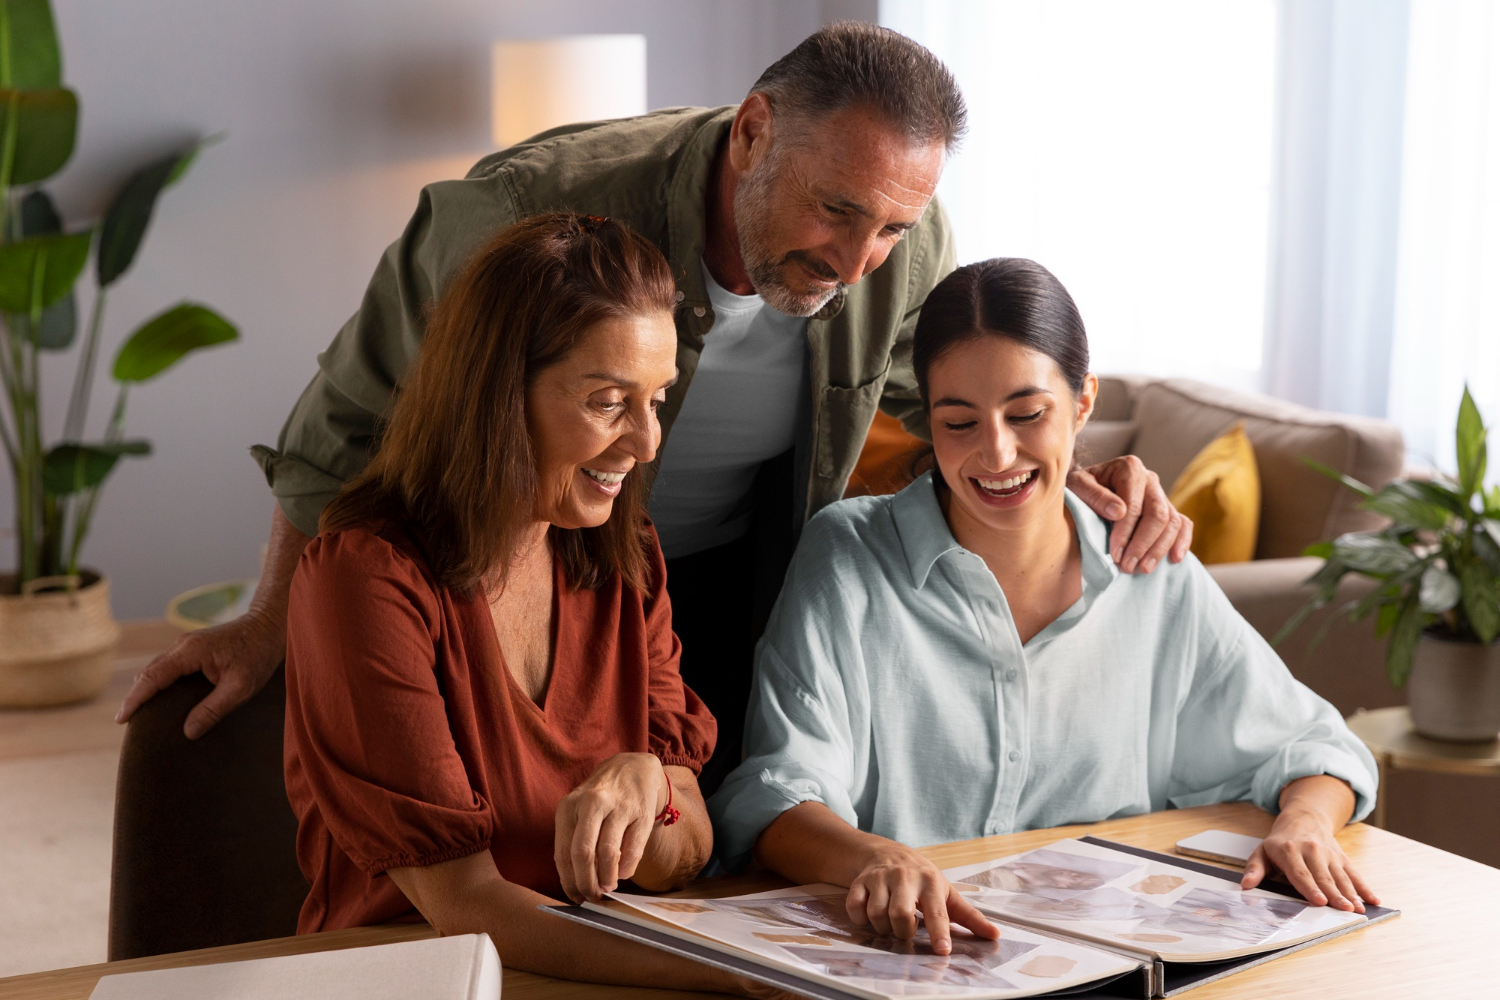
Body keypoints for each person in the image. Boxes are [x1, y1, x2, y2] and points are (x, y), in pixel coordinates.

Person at [119, 24, 1190, 794]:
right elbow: (343, 419)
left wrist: (1072, 481)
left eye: (892, 231)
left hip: (732, 577)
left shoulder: (904, 244)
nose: (861, 261)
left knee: (706, 837)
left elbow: (953, 414)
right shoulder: (524, 212)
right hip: (531, 574)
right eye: (838, 211)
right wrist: (267, 619)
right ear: (755, 131)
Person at [708, 258, 1380, 956]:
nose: (996, 453)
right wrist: (872, 856)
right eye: (958, 422)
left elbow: (1316, 747)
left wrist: (1303, 822)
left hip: (1106, 963)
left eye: (1027, 414)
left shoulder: (1145, 568)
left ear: (1083, 401)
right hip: (911, 959)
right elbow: (776, 793)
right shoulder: (849, 556)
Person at [282, 213, 762, 994]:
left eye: (659, 399)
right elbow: (467, 906)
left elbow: (690, 848)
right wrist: (740, 978)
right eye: (609, 402)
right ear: (497, 395)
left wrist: (651, 788)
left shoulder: (625, 554)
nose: (647, 443)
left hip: (595, 970)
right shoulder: (364, 580)